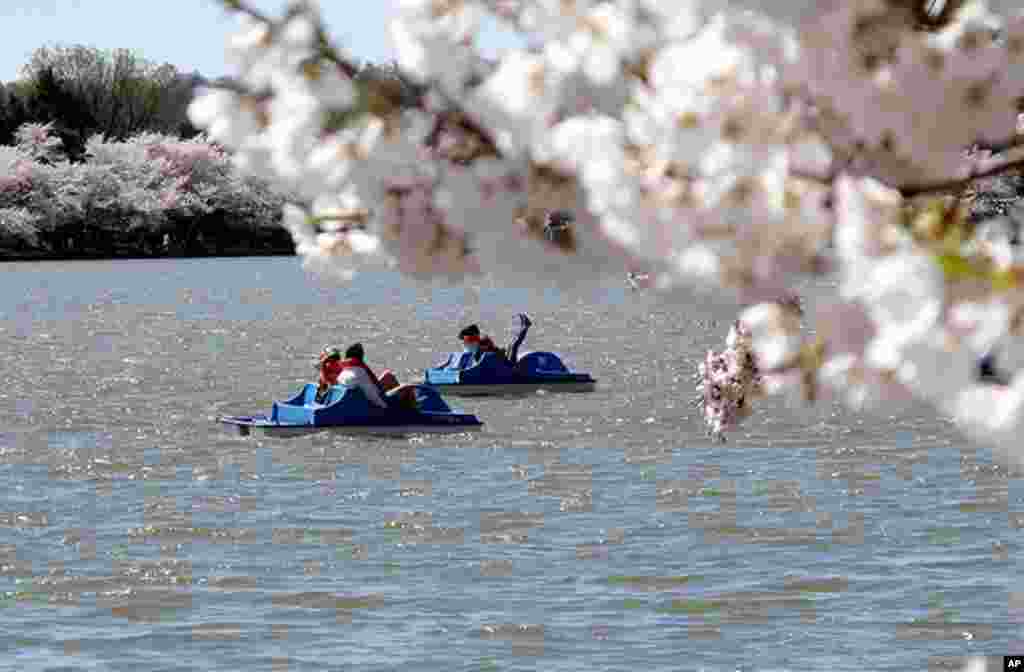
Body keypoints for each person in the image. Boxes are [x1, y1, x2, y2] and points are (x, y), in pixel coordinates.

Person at [458, 313, 532, 366]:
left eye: (471, 339)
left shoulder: (484, 343)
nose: (466, 343)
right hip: (496, 366)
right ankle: (524, 326)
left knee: (513, 346)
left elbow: (496, 353)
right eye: (467, 341)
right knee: (511, 346)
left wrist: (500, 351)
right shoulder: (473, 347)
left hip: (506, 367)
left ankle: (525, 326)